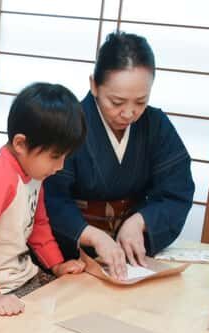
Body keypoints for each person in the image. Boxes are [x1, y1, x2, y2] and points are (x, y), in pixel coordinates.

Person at [44, 31, 194, 280]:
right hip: (72, 254)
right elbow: (51, 198)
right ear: (94, 85)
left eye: (140, 101)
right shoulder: (69, 123)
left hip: (129, 251)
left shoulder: (155, 125)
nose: (129, 113)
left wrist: (140, 221)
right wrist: (91, 234)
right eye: (117, 101)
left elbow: (176, 190)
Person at [0, 83, 86, 323]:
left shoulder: (34, 172)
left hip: (20, 280)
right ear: (21, 144)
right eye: (55, 156)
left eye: (65, 157)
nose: (60, 166)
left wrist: (57, 265)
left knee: (74, 303)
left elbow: (39, 227)